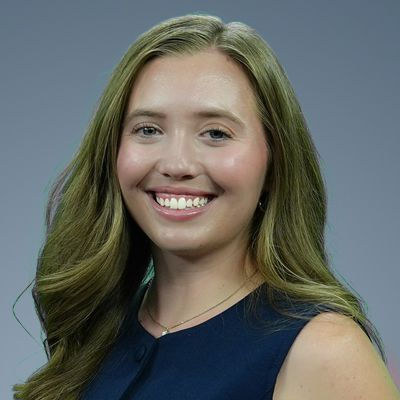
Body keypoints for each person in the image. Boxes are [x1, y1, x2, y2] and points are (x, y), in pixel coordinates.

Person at [14, 14, 399, 400]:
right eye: (148, 129)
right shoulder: (98, 331)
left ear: (274, 162)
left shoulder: (324, 351)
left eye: (216, 133)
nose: (177, 163)